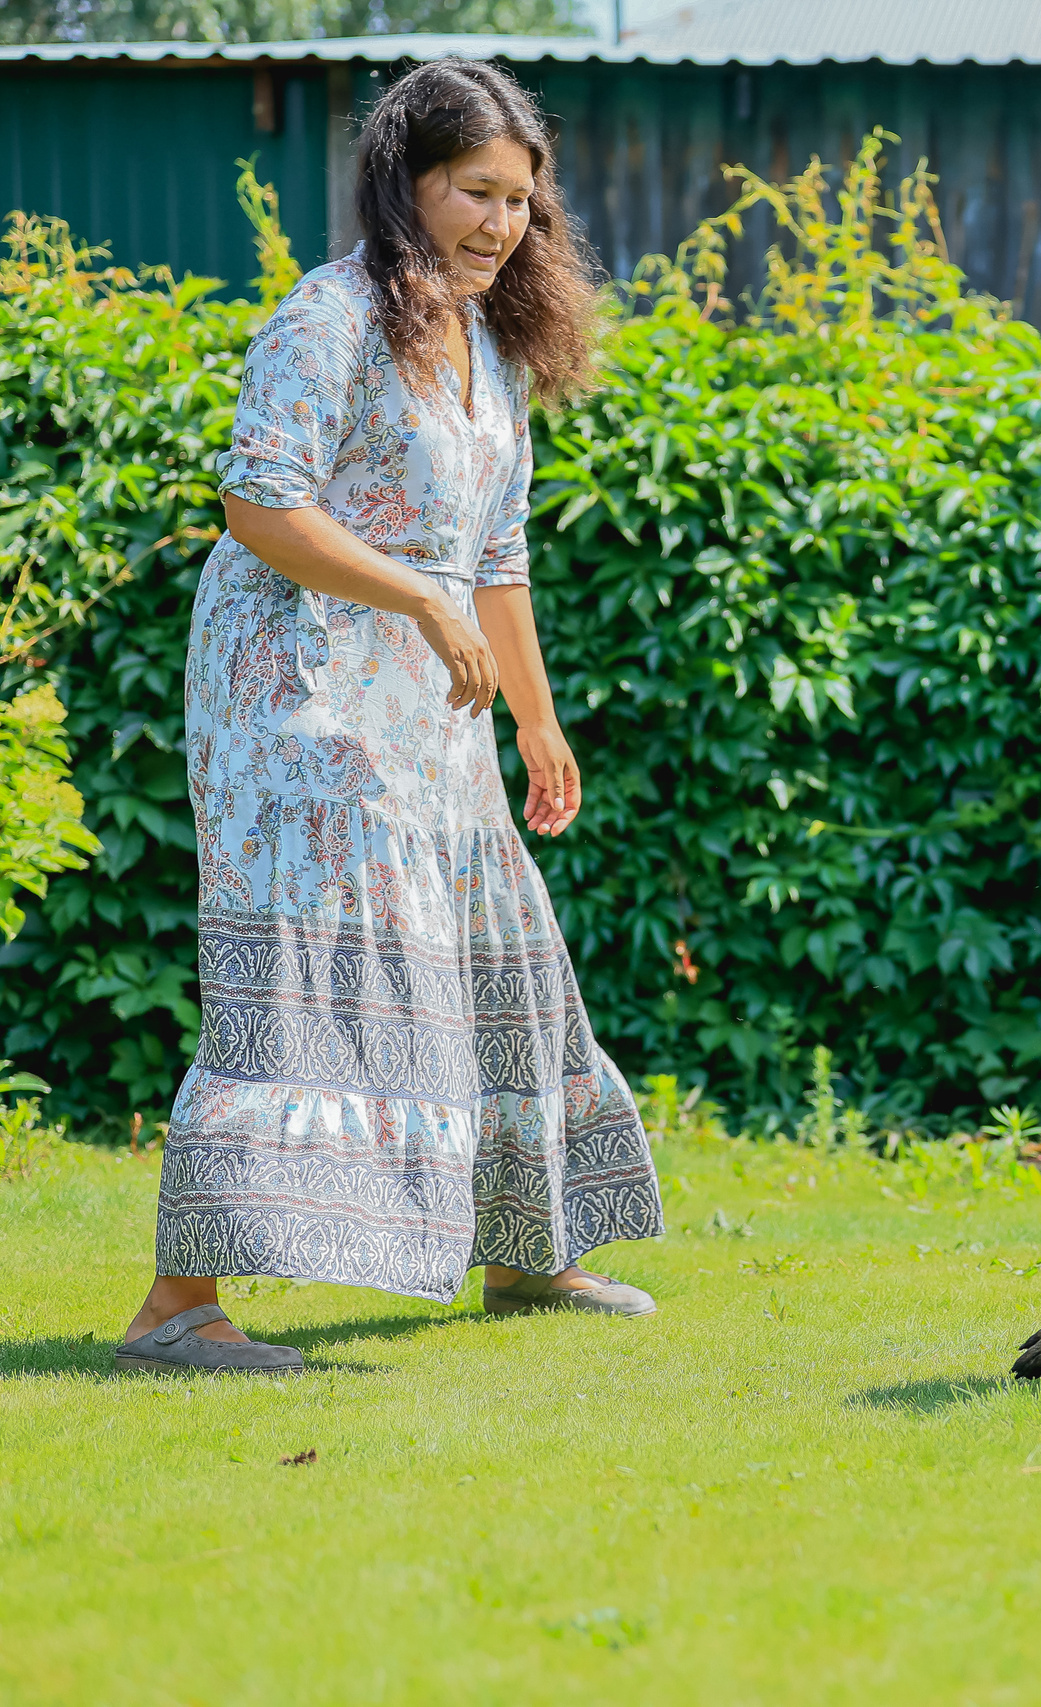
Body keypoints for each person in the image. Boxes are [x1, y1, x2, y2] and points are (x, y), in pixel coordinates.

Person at [117, 60, 663, 1374]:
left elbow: (499, 558)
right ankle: (176, 1307)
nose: (500, 223)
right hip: (294, 693)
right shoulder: (335, 314)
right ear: (406, 183)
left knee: (492, 941)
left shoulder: (492, 346)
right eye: (475, 191)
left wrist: (538, 720)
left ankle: (525, 1251)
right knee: (308, 965)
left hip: (434, 699)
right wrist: (417, 599)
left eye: (521, 201)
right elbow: (262, 504)